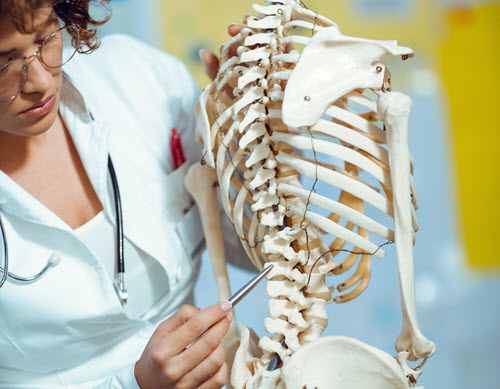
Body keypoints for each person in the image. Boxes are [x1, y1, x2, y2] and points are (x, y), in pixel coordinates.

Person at [0, 0, 246, 388]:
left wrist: (250, 146)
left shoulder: (138, 77)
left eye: (46, 36)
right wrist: (135, 384)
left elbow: (247, 252)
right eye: (3, 62)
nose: (40, 82)